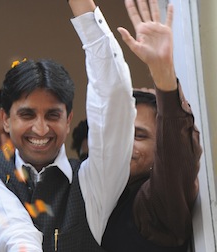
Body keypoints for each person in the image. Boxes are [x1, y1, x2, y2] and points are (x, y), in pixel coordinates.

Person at [0, 0, 136, 250]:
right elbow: (14, 232)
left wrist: (84, 9)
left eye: (53, 115)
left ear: (68, 120)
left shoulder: (93, 180)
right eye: (27, 115)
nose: (41, 129)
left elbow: (115, 97)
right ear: (6, 120)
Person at [102, 0, 202, 251]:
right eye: (121, 131)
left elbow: (176, 155)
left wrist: (163, 74)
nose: (126, 142)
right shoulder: (94, 195)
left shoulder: (153, 204)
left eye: (139, 135)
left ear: (160, 150)